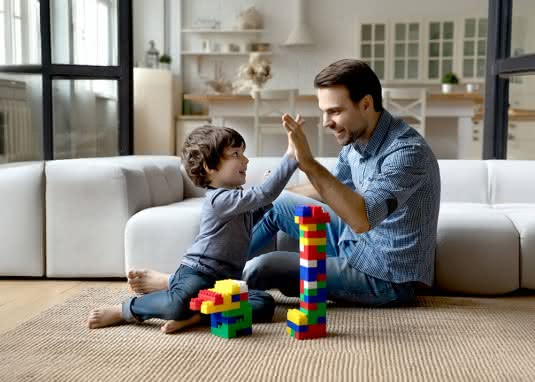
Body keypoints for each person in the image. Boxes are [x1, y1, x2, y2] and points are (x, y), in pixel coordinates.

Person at [126, 59, 441, 308]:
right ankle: (194, 277)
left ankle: (183, 288)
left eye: (335, 111)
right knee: (276, 204)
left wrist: (306, 161)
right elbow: (328, 189)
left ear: (367, 104)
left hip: (384, 275)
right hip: (355, 244)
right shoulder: (356, 142)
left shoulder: (405, 152)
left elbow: (361, 218)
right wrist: (269, 195)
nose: (326, 121)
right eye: (323, 111)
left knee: (264, 267)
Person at [87, 125, 299, 333]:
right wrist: (291, 157)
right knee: (176, 304)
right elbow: (264, 194)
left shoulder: (236, 197)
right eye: (236, 154)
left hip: (225, 280)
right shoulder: (220, 199)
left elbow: (248, 220)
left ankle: (198, 315)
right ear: (209, 166)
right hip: (198, 273)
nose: (245, 160)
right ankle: (125, 310)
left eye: (243, 153)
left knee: (264, 303)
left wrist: (262, 205)